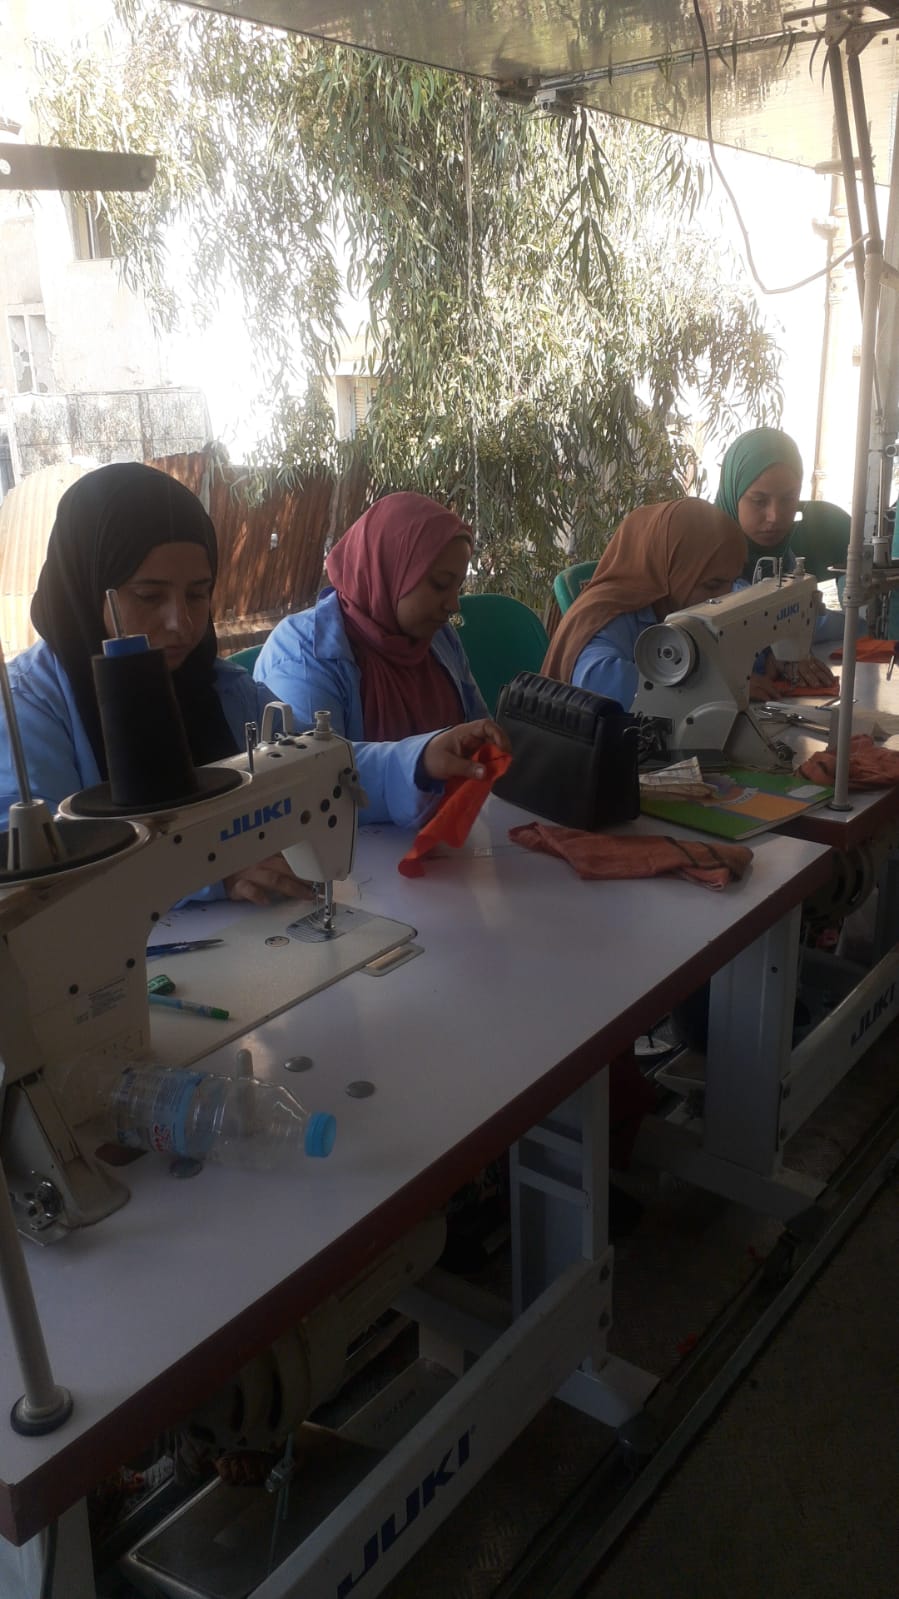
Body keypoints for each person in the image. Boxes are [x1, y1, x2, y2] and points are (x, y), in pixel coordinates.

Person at [0, 462, 308, 905]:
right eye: (148, 596)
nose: (181, 623)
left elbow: (319, 762)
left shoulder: (220, 688)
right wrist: (210, 870)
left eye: (197, 594)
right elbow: (44, 867)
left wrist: (407, 764)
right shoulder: (26, 709)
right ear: (87, 588)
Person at [255, 492, 507, 827]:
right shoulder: (302, 652)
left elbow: (476, 730)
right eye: (440, 585)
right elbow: (312, 776)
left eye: (457, 587)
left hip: (444, 837)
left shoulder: (439, 639)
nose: (453, 605)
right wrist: (420, 762)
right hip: (355, 850)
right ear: (389, 570)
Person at [541, 499, 746, 706]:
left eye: (732, 582)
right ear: (670, 569)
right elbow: (595, 681)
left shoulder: (675, 606)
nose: (725, 597)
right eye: (712, 585)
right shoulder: (605, 614)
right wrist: (717, 690)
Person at [714, 426, 846, 695]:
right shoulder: (700, 559)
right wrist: (766, 652)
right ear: (733, 491)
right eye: (759, 501)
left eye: (789, 499)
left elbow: (814, 624)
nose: (775, 516)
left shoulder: (784, 559)